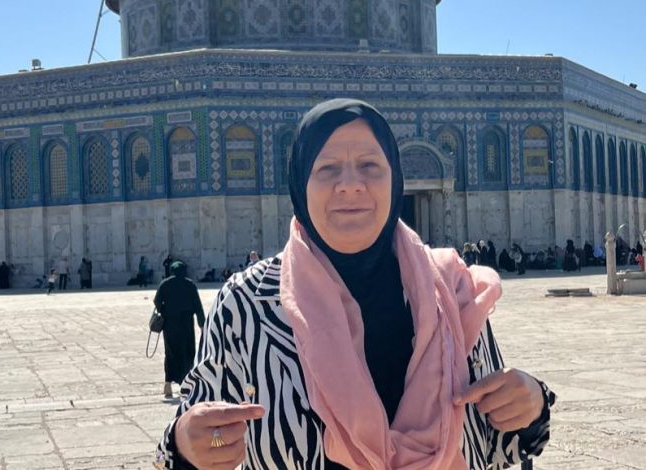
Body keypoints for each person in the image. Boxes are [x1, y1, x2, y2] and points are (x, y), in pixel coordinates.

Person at [155, 100, 554, 470]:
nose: (350, 184)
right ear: (300, 183)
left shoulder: (450, 290)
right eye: (327, 168)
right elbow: (199, 432)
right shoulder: (247, 304)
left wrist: (531, 405)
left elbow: (495, 443)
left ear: (394, 179)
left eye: (369, 165)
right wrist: (190, 444)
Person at [153, 261, 205, 399]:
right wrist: (202, 324)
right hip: (186, 325)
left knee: (170, 353)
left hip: (170, 325)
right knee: (187, 353)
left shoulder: (165, 284)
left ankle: (167, 384)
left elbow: (157, 301)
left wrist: (164, 310)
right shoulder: (190, 284)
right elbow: (198, 306)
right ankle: (186, 384)